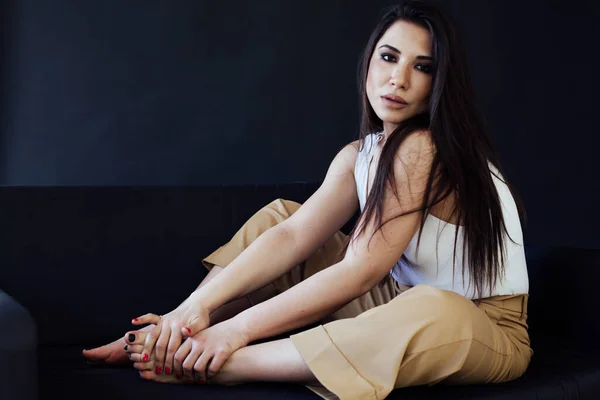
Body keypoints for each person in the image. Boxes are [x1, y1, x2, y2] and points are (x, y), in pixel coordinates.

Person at [82, 1, 532, 398]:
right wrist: (187, 314)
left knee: (432, 306)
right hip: (396, 297)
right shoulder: (361, 154)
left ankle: (216, 365)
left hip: (481, 325)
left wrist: (232, 336)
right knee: (283, 217)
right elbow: (295, 236)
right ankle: (176, 339)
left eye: (423, 67)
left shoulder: (424, 148)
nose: (398, 79)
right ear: (369, 62)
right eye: (389, 57)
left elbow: (361, 270)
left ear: (441, 82)